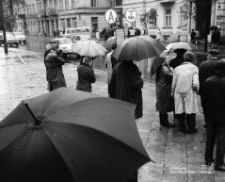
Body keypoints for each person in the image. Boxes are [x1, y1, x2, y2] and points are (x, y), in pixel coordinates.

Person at [203, 59, 225, 171]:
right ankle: (219, 163)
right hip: (223, 117)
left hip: (211, 115)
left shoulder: (208, 81)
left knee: (210, 138)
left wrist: (206, 114)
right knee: (221, 140)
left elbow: (204, 100)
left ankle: (208, 159)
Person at [171, 51, 199, 134]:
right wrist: (197, 90)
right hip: (189, 92)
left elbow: (174, 83)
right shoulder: (194, 68)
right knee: (190, 110)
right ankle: (191, 128)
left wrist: (172, 92)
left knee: (180, 110)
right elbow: (196, 83)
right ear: (192, 59)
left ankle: (182, 127)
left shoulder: (177, 68)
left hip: (178, 92)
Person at [199, 49, 220, 128]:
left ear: (210, 55)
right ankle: (216, 123)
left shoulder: (203, 64)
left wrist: (199, 90)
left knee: (206, 106)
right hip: (218, 89)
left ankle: (207, 123)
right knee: (217, 105)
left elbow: (200, 78)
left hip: (205, 89)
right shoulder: (221, 63)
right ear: (217, 55)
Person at [155, 56, 175, 128]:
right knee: (164, 105)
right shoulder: (164, 68)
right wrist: (172, 70)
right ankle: (165, 122)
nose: (168, 59)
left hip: (161, 89)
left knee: (162, 105)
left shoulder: (161, 67)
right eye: (167, 58)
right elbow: (171, 76)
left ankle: (163, 121)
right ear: (163, 60)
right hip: (164, 89)